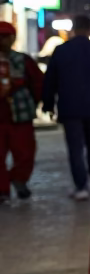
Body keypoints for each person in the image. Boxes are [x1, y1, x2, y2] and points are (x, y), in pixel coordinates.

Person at [41, 14, 90, 200]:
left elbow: (50, 81)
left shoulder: (61, 51)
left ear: (73, 29)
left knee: (75, 148)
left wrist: (48, 105)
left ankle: (81, 186)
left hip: (70, 108)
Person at [0, 20, 44, 203]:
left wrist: (34, 102)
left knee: (25, 153)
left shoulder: (24, 61)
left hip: (21, 116)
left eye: (6, 37)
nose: (3, 41)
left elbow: (38, 84)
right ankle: (2, 190)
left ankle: (18, 180)